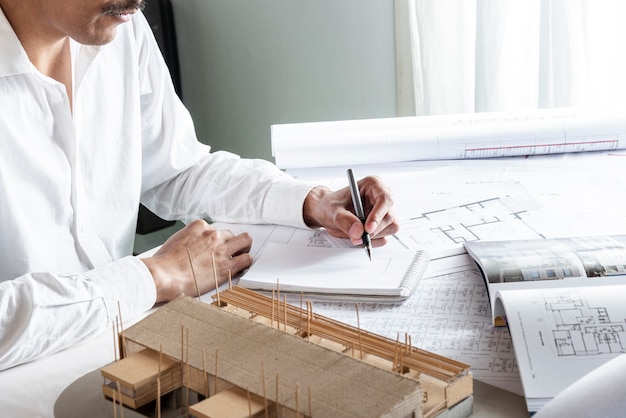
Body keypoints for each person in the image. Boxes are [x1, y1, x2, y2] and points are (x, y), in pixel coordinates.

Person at [0, 0, 399, 371]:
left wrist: (311, 201)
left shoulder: (122, 28)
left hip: (121, 345)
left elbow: (179, 170)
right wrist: (154, 276)